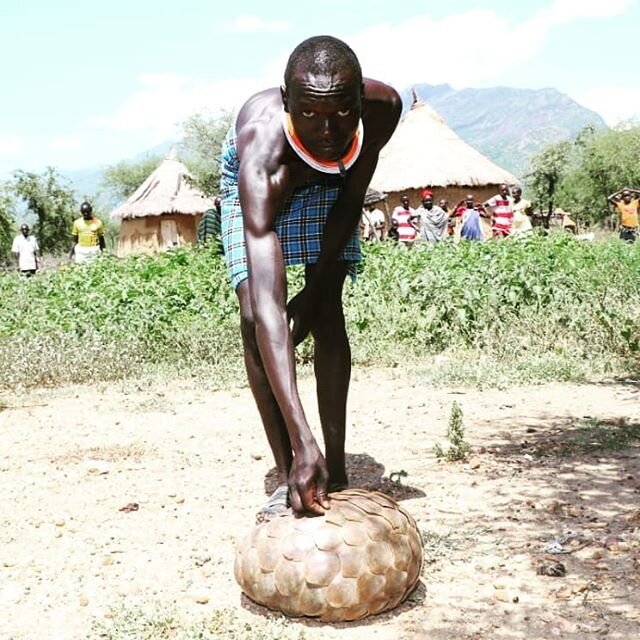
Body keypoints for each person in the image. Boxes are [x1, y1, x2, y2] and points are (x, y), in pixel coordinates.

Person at [219, 35, 401, 521]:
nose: (326, 129)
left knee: (326, 313)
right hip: (267, 182)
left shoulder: (383, 110)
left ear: (360, 98)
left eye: (342, 112)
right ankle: (291, 468)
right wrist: (302, 438)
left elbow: (349, 199)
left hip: (331, 181)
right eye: (311, 114)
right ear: (286, 103)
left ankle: (334, 471)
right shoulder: (262, 150)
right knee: (256, 317)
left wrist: (318, 289)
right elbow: (268, 299)